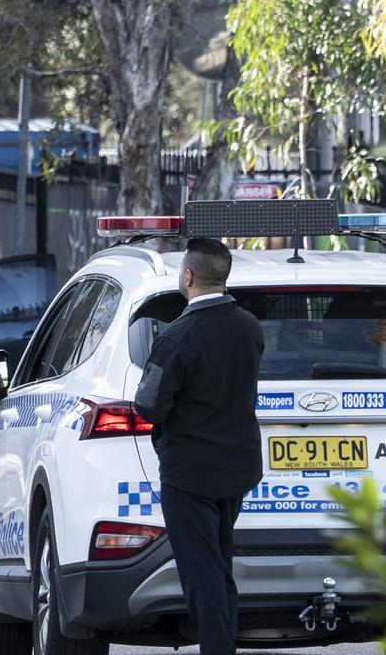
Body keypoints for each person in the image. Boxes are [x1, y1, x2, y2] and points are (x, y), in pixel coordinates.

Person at [134, 238, 264, 655]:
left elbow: (150, 406)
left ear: (187, 276)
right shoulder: (249, 327)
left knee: (201, 572)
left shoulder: (177, 336)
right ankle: (221, 643)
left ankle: (217, 648)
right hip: (236, 469)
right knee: (218, 566)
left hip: (190, 473)